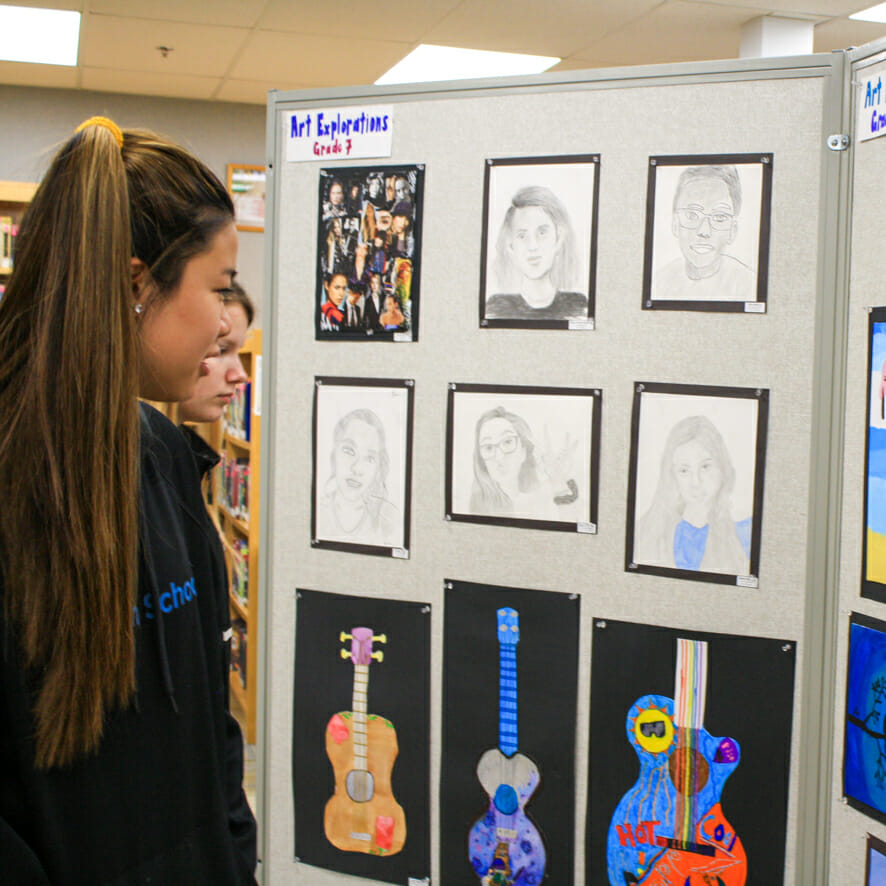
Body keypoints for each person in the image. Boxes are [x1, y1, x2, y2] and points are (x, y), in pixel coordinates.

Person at [0, 117, 257, 884]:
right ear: (136, 283)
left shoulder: (166, 458)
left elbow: (214, 727)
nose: (225, 325)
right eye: (217, 291)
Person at [634, 415, 751, 574]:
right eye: (684, 471)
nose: (696, 482)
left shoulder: (744, 531)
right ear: (672, 475)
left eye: (705, 467)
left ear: (722, 467)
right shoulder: (649, 531)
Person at [652, 164, 755, 303]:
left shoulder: (748, 286)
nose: (704, 231)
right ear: (675, 223)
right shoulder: (659, 282)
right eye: (692, 215)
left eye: (719, 217)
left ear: (733, 230)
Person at [486, 185, 586, 321]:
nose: (533, 246)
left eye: (542, 233)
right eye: (522, 236)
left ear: (558, 239)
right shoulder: (496, 308)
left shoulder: (578, 306)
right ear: (510, 246)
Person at [469, 406, 580, 519]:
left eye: (507, 442)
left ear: (524, 450)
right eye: (488, 447)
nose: (499, 456)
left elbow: (572, 530)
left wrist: (558, 480)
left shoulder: (544, 497)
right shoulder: (479, 502)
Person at [315, 408, 399, 546]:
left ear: (378, 468)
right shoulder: (318, 511)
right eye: (349, 451)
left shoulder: (389, 518)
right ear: (334, 453)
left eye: (369, 458)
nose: (357, 469)